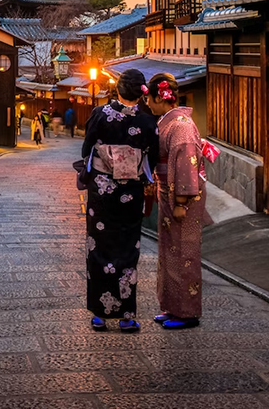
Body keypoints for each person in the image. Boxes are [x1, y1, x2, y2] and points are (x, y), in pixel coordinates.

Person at [81, 68, 158, 333]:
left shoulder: (100, 114)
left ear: (118, 89)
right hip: (131, 193)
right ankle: (127, 316)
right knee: (127, 248)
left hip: (102, 191)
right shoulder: (148, 122)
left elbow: (86, 148)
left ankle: (100, 315)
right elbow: (153, 158)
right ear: (141, 93)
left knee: (99, 246)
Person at [143, 72, 206, 330]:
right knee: (169, 250)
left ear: (161, 96)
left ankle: (187, 312)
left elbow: (186, 164)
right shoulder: (169, 122)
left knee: (185, 252)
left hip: (182, 198)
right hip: (168, 193)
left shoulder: (180, 126)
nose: (147, 104)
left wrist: (181, 201)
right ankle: (171, 306)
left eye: (150, 98)